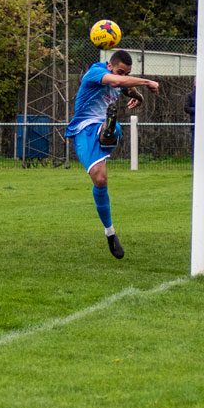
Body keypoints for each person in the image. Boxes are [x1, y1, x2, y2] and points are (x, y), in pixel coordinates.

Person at [64, 50, 160, 259]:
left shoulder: (118, 78)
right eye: (120, 71)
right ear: (110, 66)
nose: (123, 76)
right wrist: (146, 82)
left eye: (127, 73)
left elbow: (122, 85)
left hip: (102, 127)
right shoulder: (94, 73)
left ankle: (108, 128)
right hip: (83, 128)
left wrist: (136, 95)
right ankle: (110, 232)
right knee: (100, 179)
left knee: (111, 130)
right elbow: (115, 82)